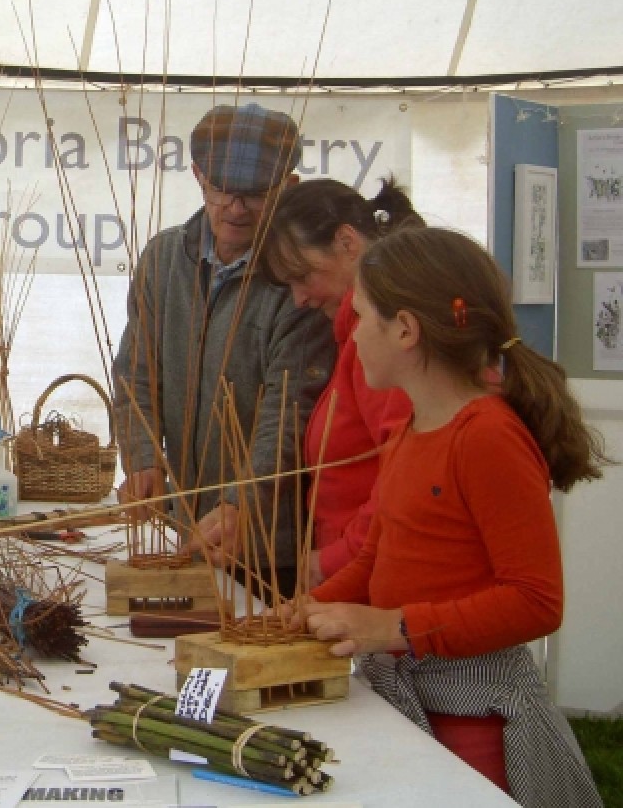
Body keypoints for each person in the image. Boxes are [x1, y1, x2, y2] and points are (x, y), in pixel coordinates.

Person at [299, 226, 605, 807]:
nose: (352, 335)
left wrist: (393, 628)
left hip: (480, 731)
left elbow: (536, 600)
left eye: (360, 317)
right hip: (414, 710)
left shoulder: (486, 437)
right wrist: (311, 609)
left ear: (405, 329)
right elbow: (376, 557)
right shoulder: (409, 431)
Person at [112, 103, 334, 598]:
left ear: (288, 187)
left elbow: (289, 411)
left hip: (268, 546)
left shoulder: (297, 281)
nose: (236, 208)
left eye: (255, 194)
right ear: (197, 176)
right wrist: (143, 455)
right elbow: (135, 374)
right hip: (183, 525)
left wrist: (242, 504)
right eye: (221, 189)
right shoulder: (164, 258)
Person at [255, 178, 420, 588]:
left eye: (303, 276)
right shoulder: (354, 334)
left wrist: (335, 560)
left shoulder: (383, 341)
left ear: (348, 242)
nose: (299, 299)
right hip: (362, 572)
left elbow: (404, 478)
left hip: (379, 578)